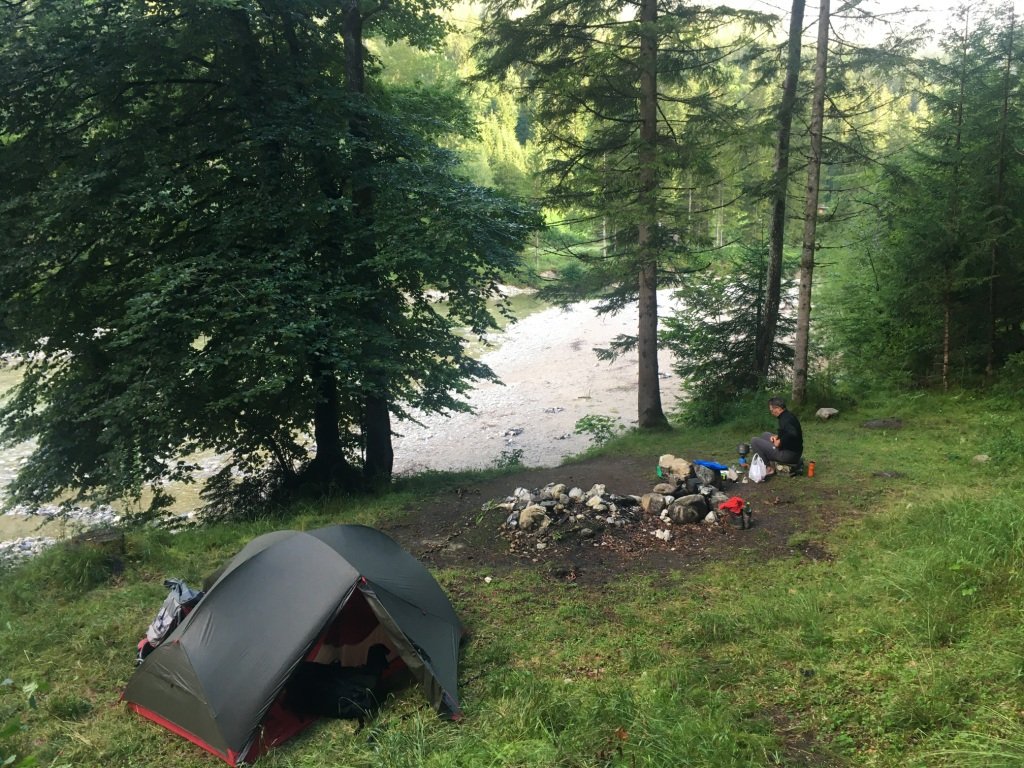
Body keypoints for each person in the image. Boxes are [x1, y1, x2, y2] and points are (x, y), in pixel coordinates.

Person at [750, 397, 803, 475]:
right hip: (795, 451)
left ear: (778, 408)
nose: (772, 413)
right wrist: (777, 437)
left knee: (754, 441)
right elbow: (787, 431)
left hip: (789, 455)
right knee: (765, 435)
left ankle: (768, 468)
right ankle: (770, 460)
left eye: (772, 410)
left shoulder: (785, 419)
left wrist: (780, 441)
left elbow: (793, 433)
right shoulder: (787, 415)